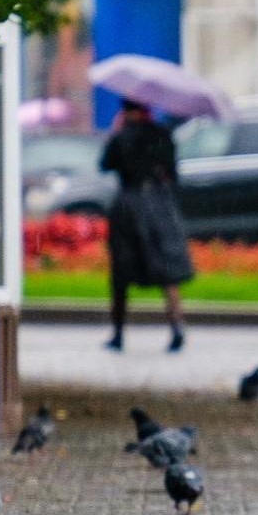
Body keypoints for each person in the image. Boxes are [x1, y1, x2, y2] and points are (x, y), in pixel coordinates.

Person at [100, 99, 195, 353]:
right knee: (166, 268)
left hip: (127, 205)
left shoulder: (121, 136)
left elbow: (105, 164)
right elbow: (174, 174)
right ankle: (176, 327)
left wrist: (115, 132)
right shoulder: (162, 134)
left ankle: (118, 333)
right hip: (158, 204)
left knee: (121, 271)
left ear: (125, 111)